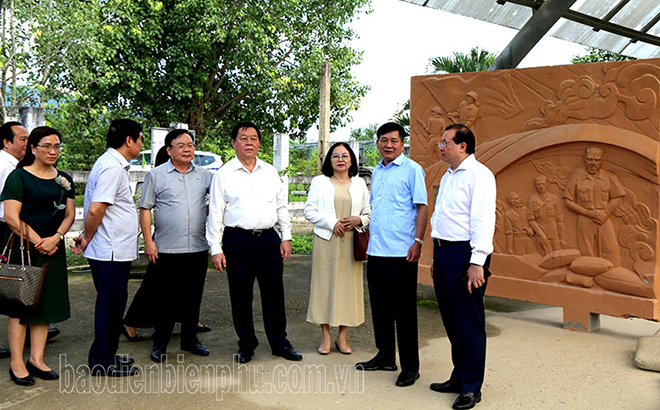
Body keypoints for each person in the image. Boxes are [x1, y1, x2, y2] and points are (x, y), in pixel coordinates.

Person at [207, 121, 302, 364]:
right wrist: (216, 248)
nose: (249, 143)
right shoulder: (223, 174)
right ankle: (246, 344)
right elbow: (216, 213)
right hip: (237, 240)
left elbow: (281, 205)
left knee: (274, 293)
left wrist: (286, 236)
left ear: (259, 143)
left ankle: (280, 343)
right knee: (240, 295)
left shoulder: (270, 171)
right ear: (233, 143)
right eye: (243, 138)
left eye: (253, 138)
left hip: (269, 239)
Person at [355, 122, 428, 388]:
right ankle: (385, 356)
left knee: (404, 312)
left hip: (402, 253)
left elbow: (421, 208)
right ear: (377, 143)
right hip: (377, 251)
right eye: (383, 140)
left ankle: (411, 367)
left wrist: (418, 241)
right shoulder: (377, 171)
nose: (388, 145)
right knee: (380, 308)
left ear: (402, 144)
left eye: (394, 141)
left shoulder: (412, 170)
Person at [1, 126, 75, 386]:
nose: (53, 151)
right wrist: (39, 241)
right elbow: (11, 217)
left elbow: (69, 215)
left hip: (52, 250)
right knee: (21, 307)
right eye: (47, 146)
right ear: (33, 148)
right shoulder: (18, 177)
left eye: (57, 146)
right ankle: (17, 363)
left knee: (45, 306)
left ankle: (37, 359)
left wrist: (56, 238)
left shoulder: (64, 179)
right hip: (24, 252)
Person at [429, 124, 496, 410]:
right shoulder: (449, 175)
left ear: (463, 147)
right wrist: (436, 257)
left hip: (465, 254)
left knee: (469, 321)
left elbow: (482, 220)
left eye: (446, 142)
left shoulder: (480, 175)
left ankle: (471, 387)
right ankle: (458, 377)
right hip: (444, 252)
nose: (441, 146)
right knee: (451, 319)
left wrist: (477, 262)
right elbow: (444, 217)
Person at [72, 119, 142, 377]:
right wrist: (87, 237)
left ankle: (107, 353)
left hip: (112, 249)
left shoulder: (110, 163)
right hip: (110, 250)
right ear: (129, 141)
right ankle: (102, 361)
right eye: (140, 139)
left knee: (113, 304)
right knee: (111, 306)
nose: (141, 144)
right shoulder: (112, 167)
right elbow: (96, 208)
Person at [122, 145, 212, 341]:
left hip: (194, 242)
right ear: (170, 152)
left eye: (190, 146)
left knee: (190, 286)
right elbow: (145, 208)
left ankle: (190, 320)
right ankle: (131, 321)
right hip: (165, 243)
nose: (186, 150)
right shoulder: (158, 174)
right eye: (181, 146)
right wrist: (148, 241)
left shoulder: (203, 176)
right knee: (155, 286)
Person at [304, 142, 371, 355]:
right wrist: (331, 223)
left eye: (344, 155)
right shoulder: (319, 182)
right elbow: (309, 211)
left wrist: (358, 219)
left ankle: (342, 337)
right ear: (329, 161)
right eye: (335, 156)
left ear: (351, 159)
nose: (340, 159)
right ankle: (325, 337)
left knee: (348, 289)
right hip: (326, 241)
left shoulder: (359, 183)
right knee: (324, 287)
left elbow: (369, 213)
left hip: (352, 242)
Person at [563, 146, 625, 266]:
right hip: (585, 218)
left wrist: (606, 214)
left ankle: (612, 277)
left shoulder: (609, 177)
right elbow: (568, 201)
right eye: (589, 159)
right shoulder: (576, 175)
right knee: (587, 251)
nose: (593, 163)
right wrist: (588, 213)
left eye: (597, 160)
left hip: (603, 218)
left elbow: (617, 196)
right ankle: (589, 280)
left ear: (602, 160)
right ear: (584, 159)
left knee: (611, 249)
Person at [0, 121, 28, 361]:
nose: (26, 144)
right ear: (6, 142)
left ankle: (25, 328)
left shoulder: (13, 165)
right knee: (11, 278)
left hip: (8, 227)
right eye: (22, 139)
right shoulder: (6, 166)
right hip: (5, 227)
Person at [528, 174, 566, 255]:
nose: (541, 187)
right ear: (535, 186)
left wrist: (562, 238)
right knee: (544, 256)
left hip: (554, 234)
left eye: (543, 184)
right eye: (538, 184)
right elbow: (531, 220)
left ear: (547, 184)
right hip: (541, 233)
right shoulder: (532, 200)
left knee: (557, 255)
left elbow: (560, 220)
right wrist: (540, 234)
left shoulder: (554, 198)